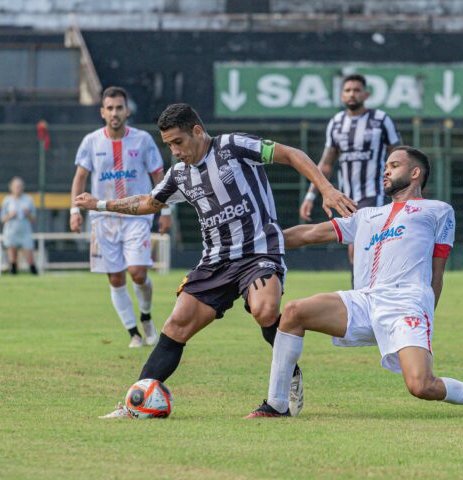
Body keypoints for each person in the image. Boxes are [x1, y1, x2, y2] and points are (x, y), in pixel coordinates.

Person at [75, 103, 357, 419]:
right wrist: (100, 204)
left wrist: (326, 190)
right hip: (215, 262)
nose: (175, 151)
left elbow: (291, 154)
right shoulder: (179, 174)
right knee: (176, 326)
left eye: (178, 142)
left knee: (265, 310)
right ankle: (135, 404)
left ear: (197, 131)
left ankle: (285, 377)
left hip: (257, 252)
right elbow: (150, 202)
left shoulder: (233, 147)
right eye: (168, 145)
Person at [247, 146, 463, 418]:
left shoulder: (438, 211)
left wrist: (425, 314)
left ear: (415, 173)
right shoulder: (366, 215)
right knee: (295, 312)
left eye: (394, 165)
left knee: (422, 386)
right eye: (385, 166)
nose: (386, 171)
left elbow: (437, 272)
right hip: (364, 300)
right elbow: (308, 234)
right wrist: (250, 243)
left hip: (406, 304)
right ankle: (277, 405)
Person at [70, 86, 172, 349]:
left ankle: (147, 317)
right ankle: (133, 333)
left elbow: (159, 177)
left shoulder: (143, 140)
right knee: (115, 278)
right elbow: (80, 178)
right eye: (110, 108)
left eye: (119, 108)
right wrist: (74, 210)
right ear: (102, 112)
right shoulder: (91, 141)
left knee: (138, 272)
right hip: (103, 220)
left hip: (136, 216)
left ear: (127, 111)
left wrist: (166, 210)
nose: (115, 113)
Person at [299, 73, 402, 267]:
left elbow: (399, 155)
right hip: (346, 199)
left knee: (363, 243)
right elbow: (326, 163)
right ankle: (363, 289)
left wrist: (399, 187)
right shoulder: (336, 123)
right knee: (356, 247)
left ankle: (367, 289)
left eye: (356, 90)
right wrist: (310, 196)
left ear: (366, 95)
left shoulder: (380, 119)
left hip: (374, 193)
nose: (352, 94)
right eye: (347, 90)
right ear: (342, 95)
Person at [0, 176, 38, 275]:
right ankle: (13, 271)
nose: (18, 188)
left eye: (20, 186)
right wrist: (10, 215)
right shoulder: (7, 200)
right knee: (12, 253)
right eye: (16, 186)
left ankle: (33, 271)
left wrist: (28, 214)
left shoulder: (28, 199)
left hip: (25, 230)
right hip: (11, 230)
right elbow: (2, 218)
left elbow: (34, 218)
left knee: (28, 252)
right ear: (11, 187)